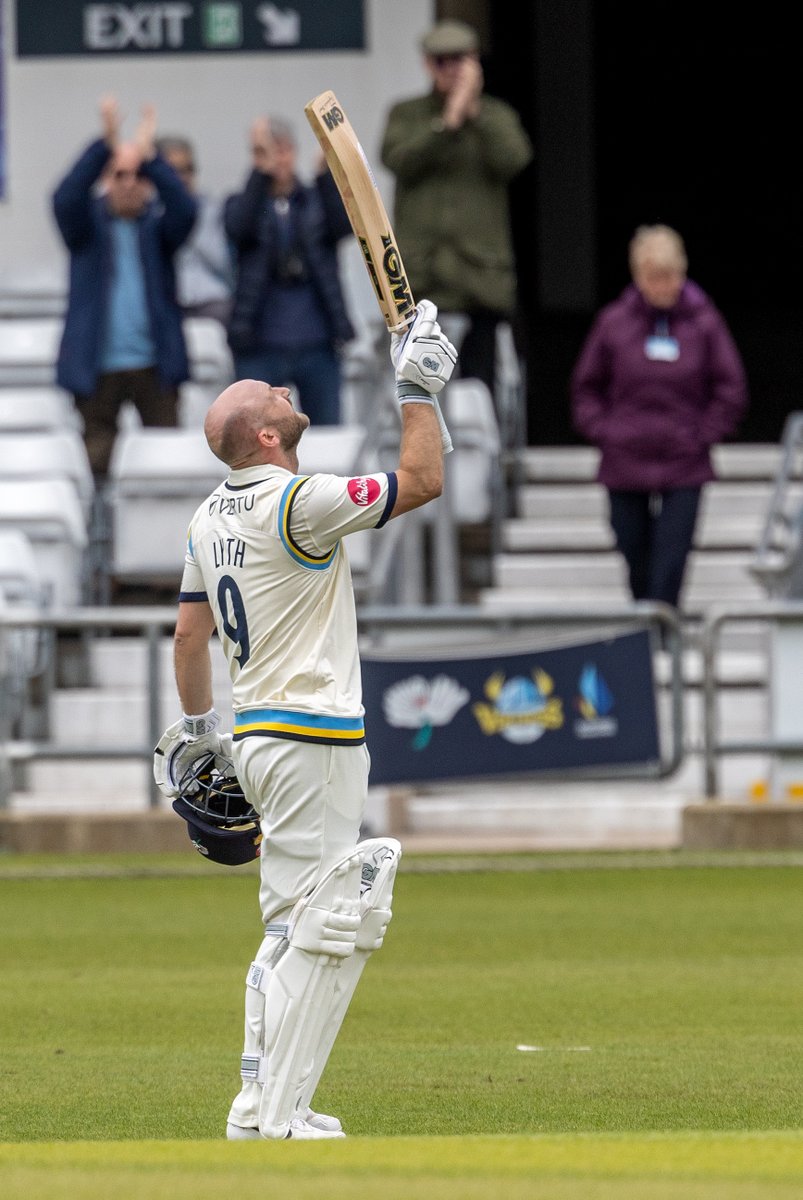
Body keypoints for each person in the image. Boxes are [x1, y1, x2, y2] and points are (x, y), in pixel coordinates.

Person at [152, 301, 457, 1140]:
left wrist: (204, 728)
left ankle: (261, 1102)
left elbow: (188, 633)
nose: (285, 389)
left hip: (256, 735)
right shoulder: (300, 504)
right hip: (312, 731)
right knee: (330, 923)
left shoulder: (206, 518)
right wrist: (418, 387)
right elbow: (424, 482)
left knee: (291, 922)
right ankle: (275, 1114)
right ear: (265, 437)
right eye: (270, 393)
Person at [570, 224, 749, 609]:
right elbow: (586, 388)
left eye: (669, 276)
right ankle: (645, 628)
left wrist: (703, 433)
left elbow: (731, 387)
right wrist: (606, 431)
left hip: (684, 460)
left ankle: (663, 631)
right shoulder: (614, 323)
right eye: (654, 277)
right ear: (638, 276)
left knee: (671, 558)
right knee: (631, 548)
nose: (663, 286)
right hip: (626, 458)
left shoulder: (704, 322)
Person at [380, 18, 533, 410]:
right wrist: (446, 123)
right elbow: (397, 159)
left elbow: (515, 159)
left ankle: (485, 466)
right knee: (424, 388)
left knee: (483, 388)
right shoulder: (407, 114)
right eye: (441, 61)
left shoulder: (495, 117)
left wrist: (473, 113)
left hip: (480, 281)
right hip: (425, 280)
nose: (450, 69)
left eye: (459, 60)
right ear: (429, 65)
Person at [51, 96, 197, 483]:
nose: (129, 183)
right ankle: (101, 544)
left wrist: (150, 157)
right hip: (97, 367)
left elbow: (186, 208)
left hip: (155, 364)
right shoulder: (85, 231)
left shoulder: (158, 230)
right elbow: (64, 198)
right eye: (119, 175)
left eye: (137, 176)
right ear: (105, 180)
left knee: (165, 464)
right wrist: (105, 144)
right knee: (97, 467)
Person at [223, 116, 355, 426]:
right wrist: (258, 175)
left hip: (316, 337)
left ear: (294, 151)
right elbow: (237, 228)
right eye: (265, 153)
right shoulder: (245, 201)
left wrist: (326, 174)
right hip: (260, 339)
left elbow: (343, 226)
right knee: (255, 434)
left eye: (282, 151)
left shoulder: (314, 199)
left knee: (326, 432)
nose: (277, 160)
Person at [155, 135, 236, 326]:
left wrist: (189, 220)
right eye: (174, 171)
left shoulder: (212, 209)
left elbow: (224, 265)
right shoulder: (149, 214)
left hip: (210, 301)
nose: (182, 178)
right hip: (167, 301)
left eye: (188, 169)